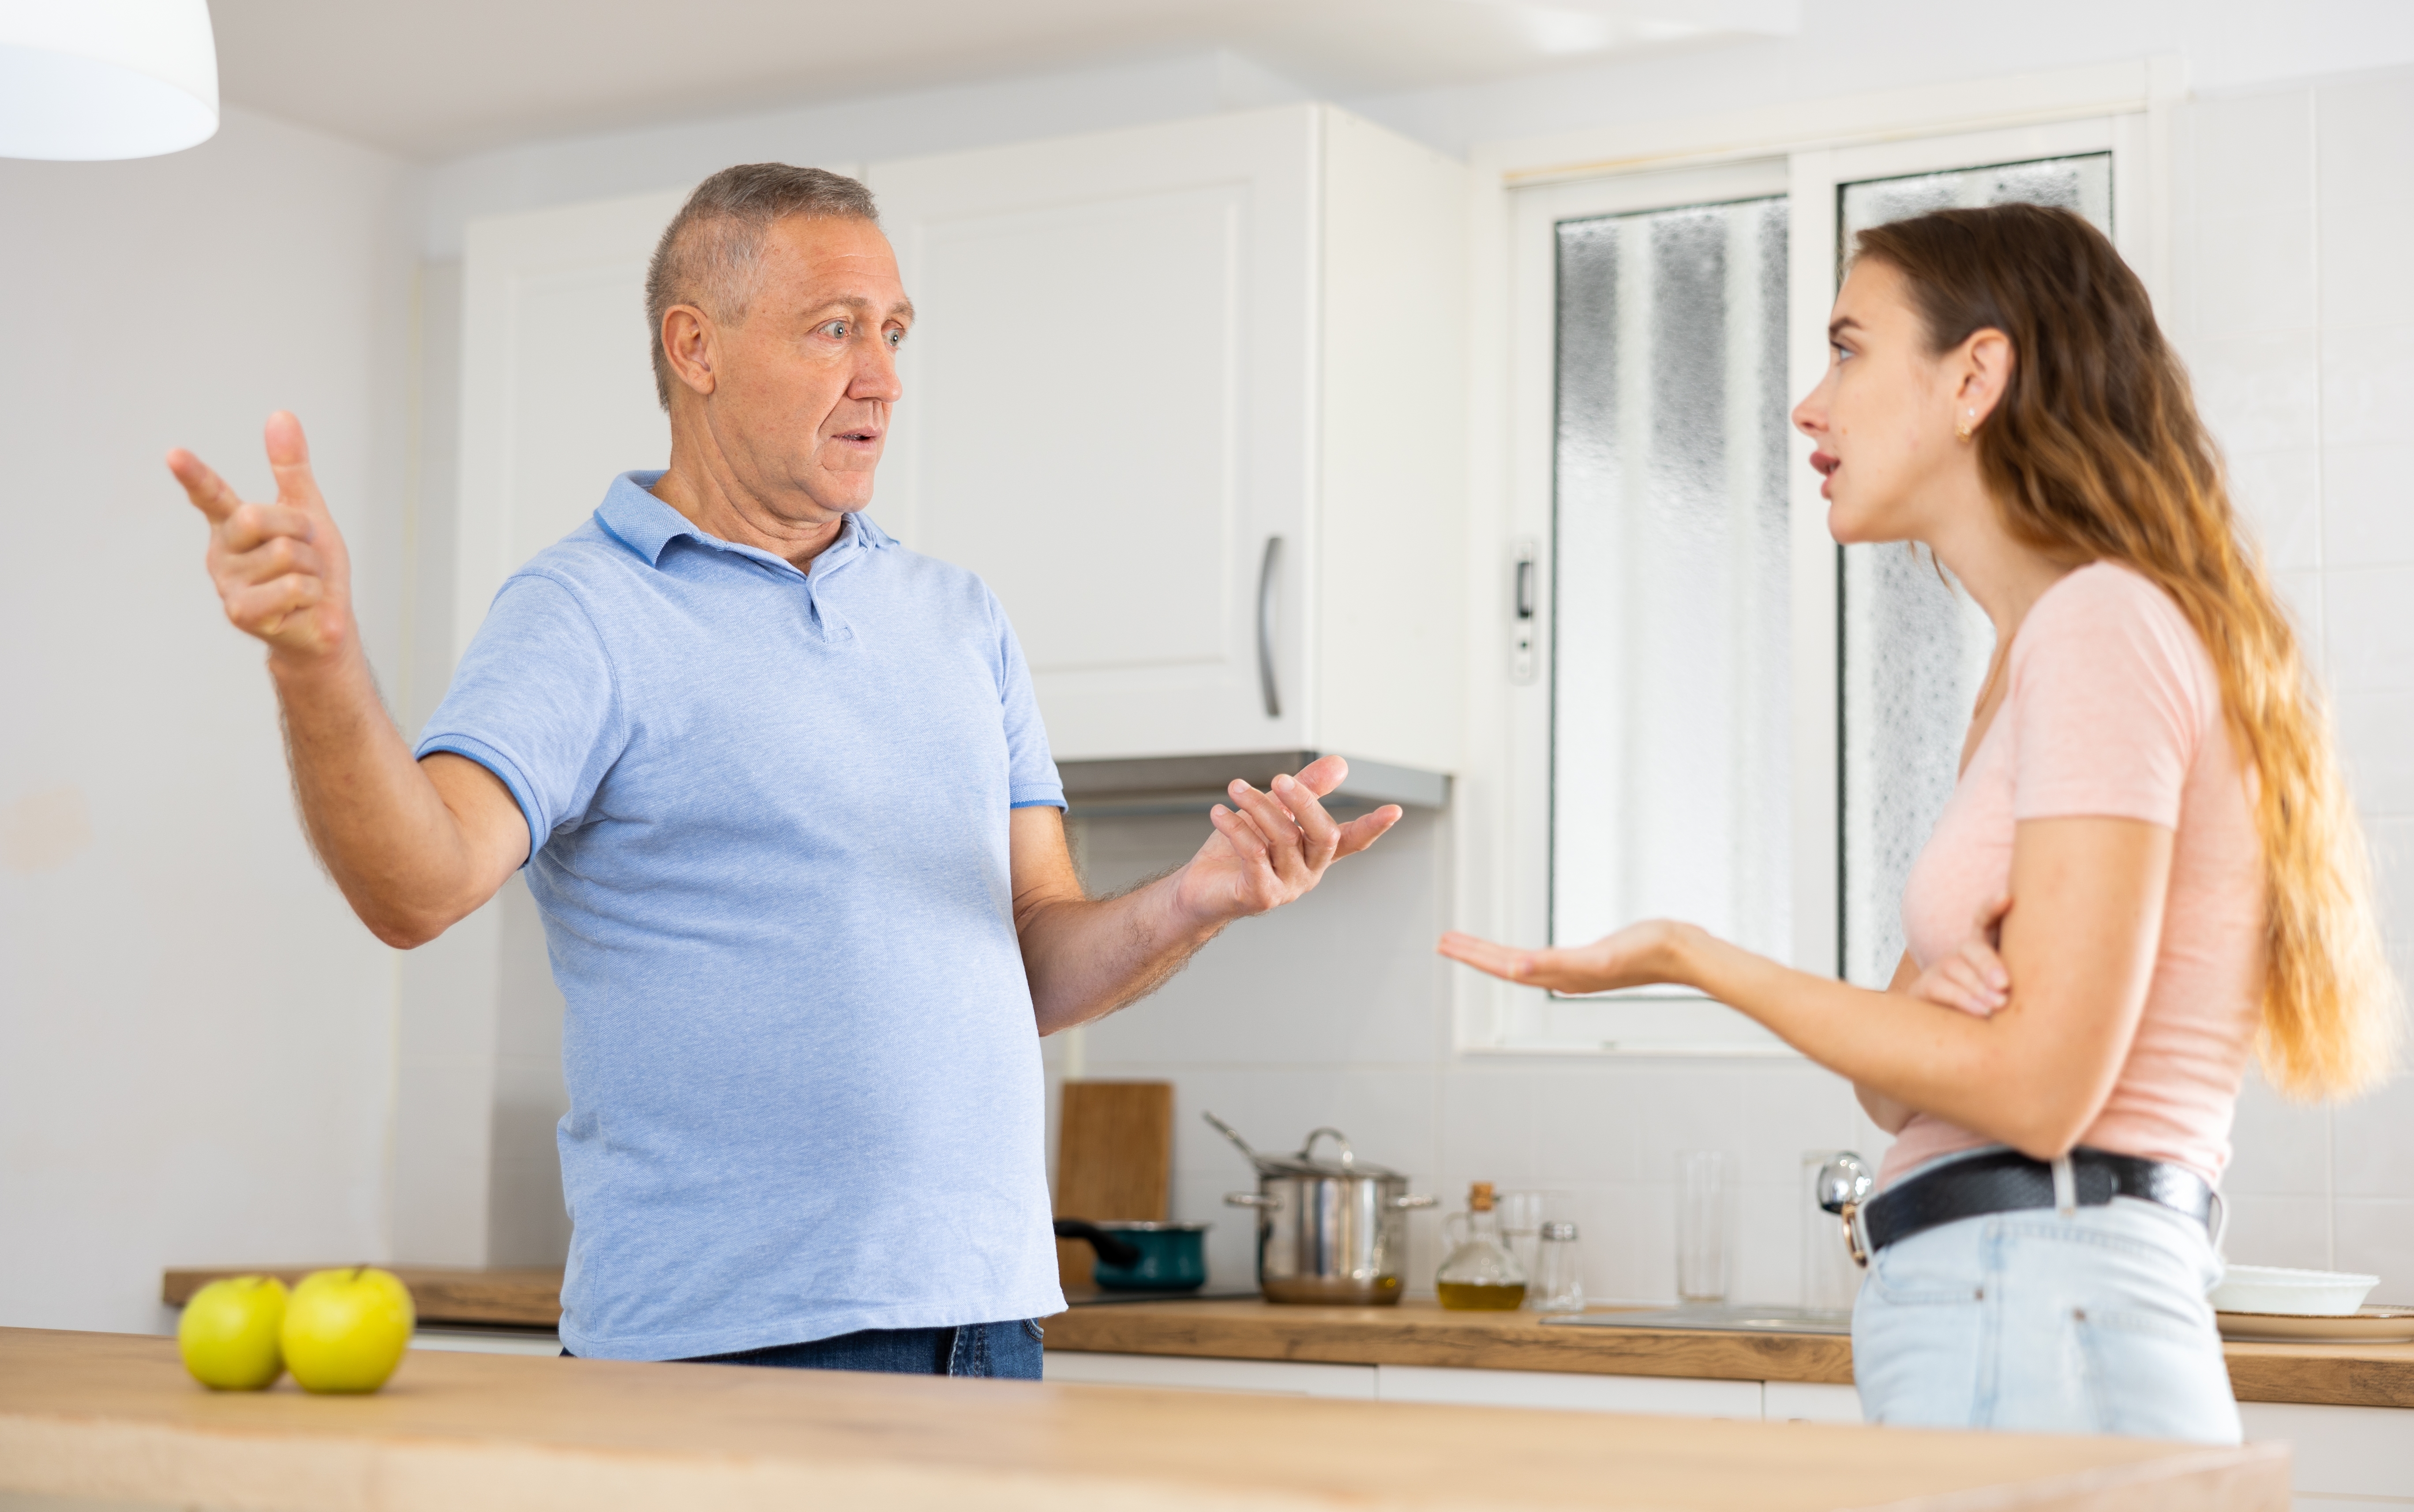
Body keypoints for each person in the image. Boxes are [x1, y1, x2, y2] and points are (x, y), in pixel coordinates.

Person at [168, 164, 1401, 1376]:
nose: (885, 378)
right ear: (695, 348)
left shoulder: (960, 616)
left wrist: (1197, 900)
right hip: (729, 1340)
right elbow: (417, 885)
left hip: (989, 1319)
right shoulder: (584, 610)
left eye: (896, 332)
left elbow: (1033, 952)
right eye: (835, 330)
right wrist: (317, 663)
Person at [1440, 202, 2399, 1442]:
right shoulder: (2027, 664)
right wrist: (1936, 1024)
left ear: (1975, 376)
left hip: (2043, 1294)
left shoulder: (2102, 627)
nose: (1810, 405)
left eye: (1847, 349)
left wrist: (1687, 955)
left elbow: (2043, 1093)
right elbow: (1891, 1087)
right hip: (2017, 1299)